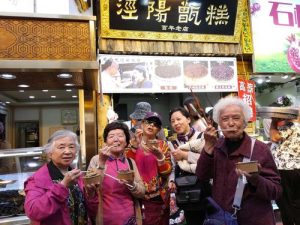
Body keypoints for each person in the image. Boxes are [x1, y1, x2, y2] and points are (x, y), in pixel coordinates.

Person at [196, 96, 282, 225]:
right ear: (219, 123)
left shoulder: (260, 149)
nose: (231, 123)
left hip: (254, 219)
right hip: (222, 218)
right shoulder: (216, 146)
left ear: (245, 122)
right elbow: (202, 175)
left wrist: (256, 179)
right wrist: (208, 147)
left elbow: (276, 191)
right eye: (225, 119)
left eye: (236, 118)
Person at [24, 130, 99, 225]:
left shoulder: (77, 175)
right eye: (61, 147)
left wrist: (91, 195)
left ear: (76, 152)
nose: (67, 151)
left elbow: (88, 211)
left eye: (71, 147)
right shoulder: (37, 179)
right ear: (50, 153)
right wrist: (63, 186)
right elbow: (33, 212)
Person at [88, 121, 145, 225]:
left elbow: (142, 192)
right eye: (111, 136)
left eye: (120, 136)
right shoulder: (96, 160)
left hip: (130, 219)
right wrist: (101, 162)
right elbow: (90, 190)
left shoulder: (130, 162)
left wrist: (132, 184)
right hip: (105, 219)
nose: (116, 139)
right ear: (105, 142)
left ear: (127, 141)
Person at [126, 112, 172, 225]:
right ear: (142, 124)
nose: (151, 125)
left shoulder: (163, 145)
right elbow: (127, 168)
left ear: (159, 129)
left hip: (156, 197)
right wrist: (135, 146)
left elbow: (166, 173)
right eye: (148, 122)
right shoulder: (131, 144)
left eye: (155, 125)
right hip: (135, 196)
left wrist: (160, 157)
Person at [168, 107, 210, 225]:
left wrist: (185, 155)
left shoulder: (202, 137)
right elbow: (173, 166)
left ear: (188, 119)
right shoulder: (172, 143)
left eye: (179, 119)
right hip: (185, 191)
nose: (176, 123)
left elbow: (208, 161)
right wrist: (171, 180)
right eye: (172, 121)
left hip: (204, 188)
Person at [270, 113, 300, 225]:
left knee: (284, 202)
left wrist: (274, 122)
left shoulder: (291, 126)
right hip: (297, 168)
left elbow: (274, 137)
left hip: (286, 169)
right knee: (297, 202)